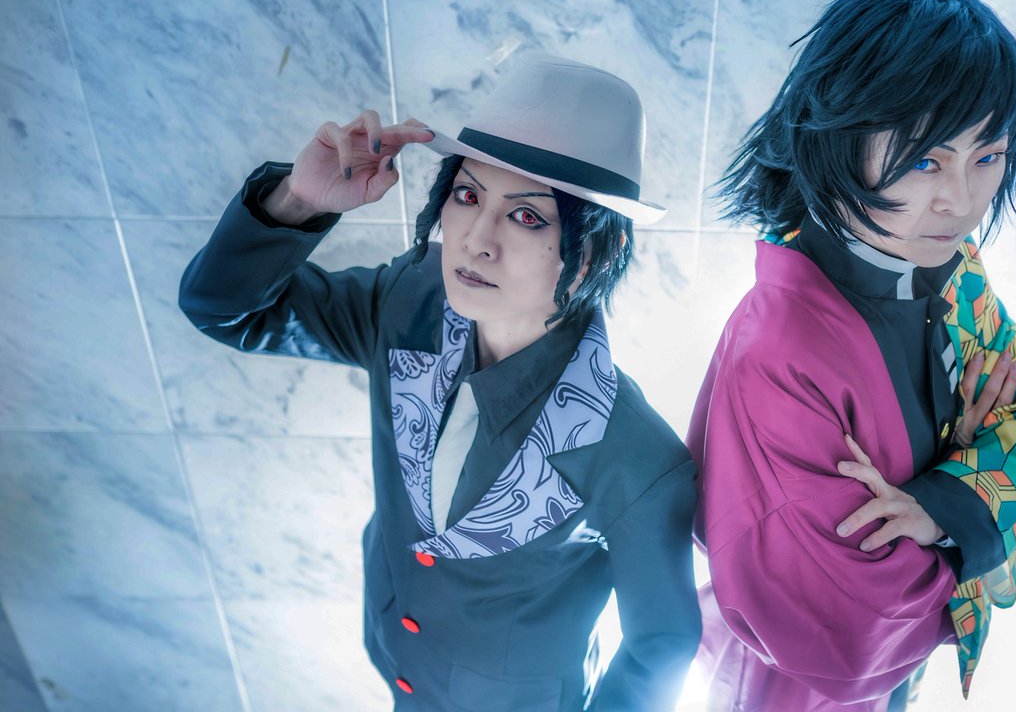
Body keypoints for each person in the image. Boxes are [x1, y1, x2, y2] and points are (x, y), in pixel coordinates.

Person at [179, 53, 701, 711]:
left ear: (595, 252)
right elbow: (226, 312)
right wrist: (298, 202)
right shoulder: (411, 298)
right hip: (395, 656)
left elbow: (662, 645)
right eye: (467, 196)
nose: (477, 240)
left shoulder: (636, 456)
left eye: (527, 217)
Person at [687, 0, 1016, 711]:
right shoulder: (780, 351)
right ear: (836, 138)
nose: (960, 201)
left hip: (902, 667)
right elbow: (841, 623)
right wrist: (970, 483)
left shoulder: (953, 270)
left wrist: (944, 503)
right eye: (926, 160)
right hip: (787, 680)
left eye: (988, 155)